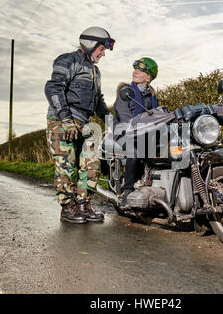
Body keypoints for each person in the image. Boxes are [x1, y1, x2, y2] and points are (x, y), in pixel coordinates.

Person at [45, 26, 115, 224]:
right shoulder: (68, 60)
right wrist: (66, 120)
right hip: (62, 121)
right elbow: (53, 88)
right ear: (91, 44)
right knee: (66, 165)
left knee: (92, 164)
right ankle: (68, 207)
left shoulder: (96, 71)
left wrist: (110, 122)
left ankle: (83, 204)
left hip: (85, 123)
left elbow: (98, 100)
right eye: (101, 49)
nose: (103, 54)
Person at [113, 57, 159, 206]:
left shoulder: (152, 94)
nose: (135, 72)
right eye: (135, 69)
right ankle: (127, 190)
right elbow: (122, 113)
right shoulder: (126, 91)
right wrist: (133, 127)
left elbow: (155, 114)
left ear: (148, 77)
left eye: (140, 70)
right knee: (135, 149)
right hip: (125, 131)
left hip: (144, 132)